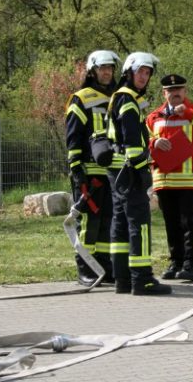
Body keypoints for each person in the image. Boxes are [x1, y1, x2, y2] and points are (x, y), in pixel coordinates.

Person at [106, 51, 172, 295]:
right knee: (139, 226)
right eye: (140, 71)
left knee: (121, 225)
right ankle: (142, 279)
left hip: (117, 173)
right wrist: (140, 170)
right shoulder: (129, 100)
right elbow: (132, 141)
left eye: (147, 73)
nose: (144, 77)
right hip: (130, 172)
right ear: (129, 72)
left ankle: (122, 280)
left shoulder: (119, 98)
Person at [146, 74, 193, 282]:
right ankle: (176, 262)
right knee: (171, 224)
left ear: (185, 91)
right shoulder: (154, 117)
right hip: (163, 179)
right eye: (170, 90)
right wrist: (154, 143)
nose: (175, 93)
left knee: (189, 224)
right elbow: (145, 140)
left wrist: (188, 113)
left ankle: (192, 265)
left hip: (188, 179)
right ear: (164, 93)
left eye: (178, 89)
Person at [64, 50, 120, 285]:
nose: (106, 72)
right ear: (92, 70)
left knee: (108, 219)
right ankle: (84, 267)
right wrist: (77, 169)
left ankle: (103, 263)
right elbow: (73, 135)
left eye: (110, 68)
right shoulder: (81, 98)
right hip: (88, 170)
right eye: (102, 68)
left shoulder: (118, 97)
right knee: (88, 221)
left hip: (112, 171)